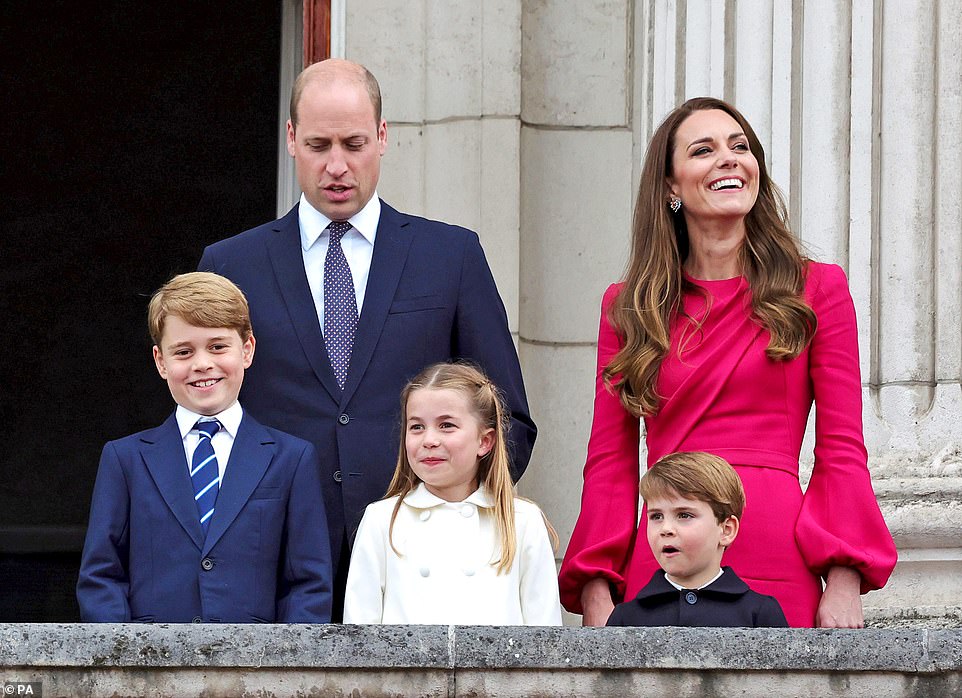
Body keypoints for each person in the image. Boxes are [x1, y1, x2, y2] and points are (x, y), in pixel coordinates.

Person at [198, 59, 535, 618]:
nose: (337, 165)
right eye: (318, 144)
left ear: (383, 137)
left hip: (424, 571)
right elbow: (203, 416)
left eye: (354, 143)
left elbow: (508, 419)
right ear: (290, 140)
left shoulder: (450, 257)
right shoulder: (232, 264)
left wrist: (446, 518)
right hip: (272, 569)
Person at [559, 97, 897, 628]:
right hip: (664, 562)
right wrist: (598, 586)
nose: (729, 159)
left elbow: (842, 448)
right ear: (671, 185)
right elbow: (609, 460)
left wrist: (844, 577)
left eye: (740, 147)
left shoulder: (817, 289)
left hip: (777, 554)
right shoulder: (628, 306)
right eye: (703, 149)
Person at [77, 272, 332, 622]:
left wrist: (285, 670)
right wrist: (125, 664)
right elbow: (101, 576)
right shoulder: (125, 460)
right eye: (183, 351)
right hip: (149, 668)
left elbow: (307, 585)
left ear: (247, 349)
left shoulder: (291, 458)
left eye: (217, 346)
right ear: (161, 361)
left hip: (256, 668)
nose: (201, 364)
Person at [342, 362, 561, 625]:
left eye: (446, 425)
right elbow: (359, 636)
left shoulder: (522, 520)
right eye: (417, 427)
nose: (429, 440)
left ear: (485, 441)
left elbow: (545, 638)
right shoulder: (381, 519)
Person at [607, 452, 787, 627]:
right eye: (656, 516)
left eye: (684, 515)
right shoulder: (626, 618)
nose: (666, 529)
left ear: (726, 530)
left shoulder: (760, 613)